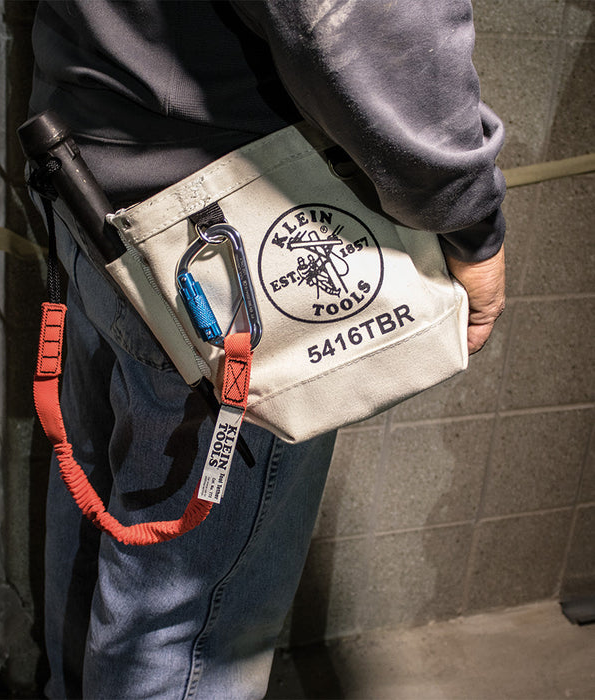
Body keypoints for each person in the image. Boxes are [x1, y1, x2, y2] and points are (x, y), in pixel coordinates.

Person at [28, 1, 506, 697]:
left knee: (98, 529)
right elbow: (362, 20)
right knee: (190, 626)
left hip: (93, 181)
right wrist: (470, 218)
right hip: (224, 221)